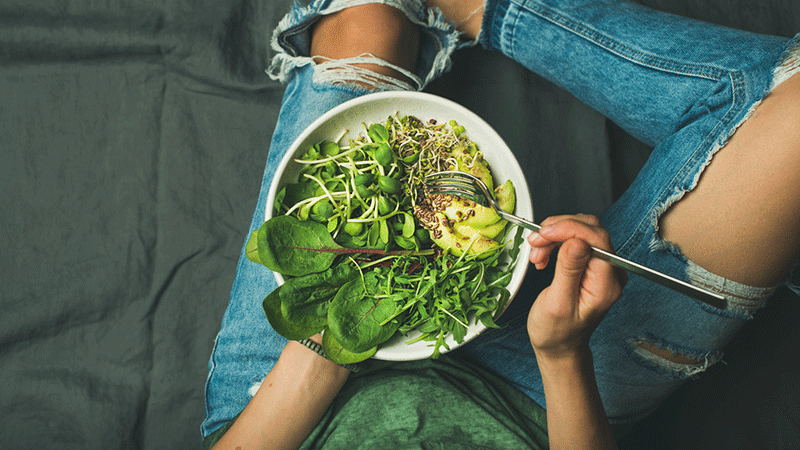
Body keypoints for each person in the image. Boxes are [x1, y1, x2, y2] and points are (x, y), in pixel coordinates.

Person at [202, 0, 800, 448]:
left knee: (369, 17)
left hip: (287, 407)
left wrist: (327, 336)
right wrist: (564, 353)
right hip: (534, 404)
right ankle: (485, 8)